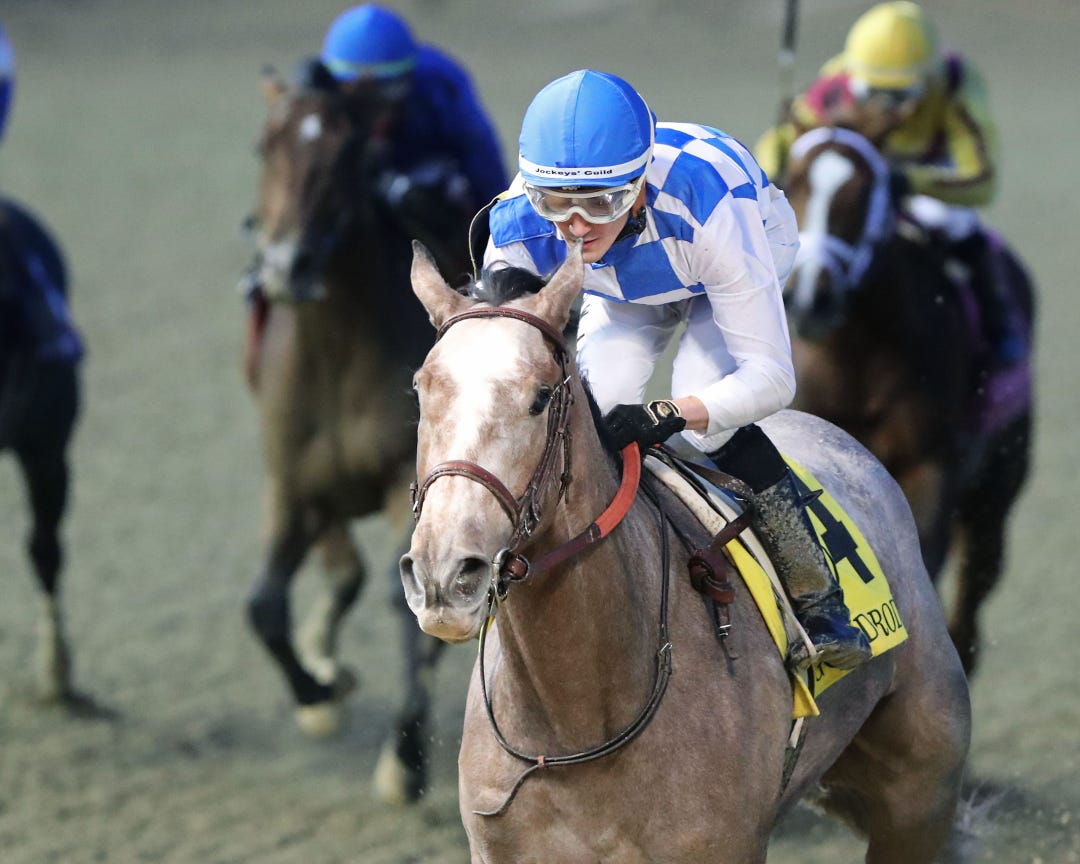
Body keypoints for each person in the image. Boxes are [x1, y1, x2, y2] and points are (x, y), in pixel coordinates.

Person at [482, 69, 871, 671]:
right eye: (556, 204)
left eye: (601, 202)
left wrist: (670, 413)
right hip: (623, 284)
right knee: (594, 412)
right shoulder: (515, 224)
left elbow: (772, 378)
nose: (576, 227)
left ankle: (818, 599)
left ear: (639, 186)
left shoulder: (710, 206)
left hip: (730, 253)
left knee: (704, 411)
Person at [755, 1, 1022, 365]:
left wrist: (911, 182)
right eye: (874, 94)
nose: (892, 110)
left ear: (928, 80)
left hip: (924, 174)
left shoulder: (956, 86)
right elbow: (783, 140)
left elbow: (983, 179)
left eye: (904, 96)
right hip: (858, 174)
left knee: (957, 223)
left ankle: (999, 326)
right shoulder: (835, 84)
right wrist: (771, 173)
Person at [319, 4, 508, 249]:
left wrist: (498, 228)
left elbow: (481, 157)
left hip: (426, 177)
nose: (377, 115)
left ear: (409, 79)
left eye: (386, 94)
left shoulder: (441, 86)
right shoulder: (317, 96)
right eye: (360, 103)